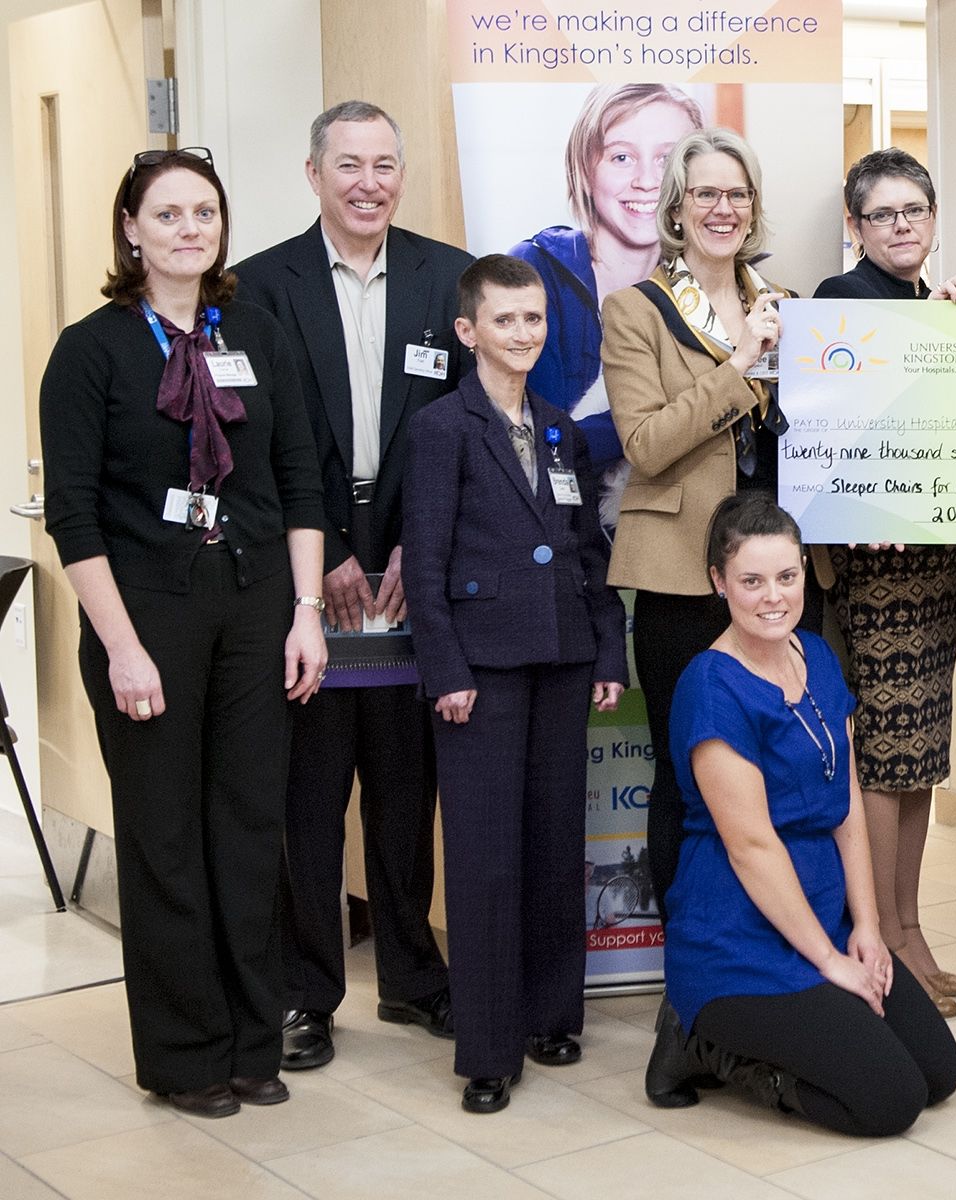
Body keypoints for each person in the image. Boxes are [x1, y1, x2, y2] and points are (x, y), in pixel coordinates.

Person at [39, 147, 328, 1117]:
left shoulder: (256, 329)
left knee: (249, 832)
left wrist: (306, 614)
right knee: (165, 841)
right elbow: (72, 516)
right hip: (145, 616)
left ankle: (254, 1042)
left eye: (204, 212)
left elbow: (298, 481)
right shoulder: (92, 349)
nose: (189, 229)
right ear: (131, 228)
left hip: (254, 610)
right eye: (168, 214)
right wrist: (119, 645)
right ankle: (188, 1056)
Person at [234, 99, 470, 1071]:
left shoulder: (444, 275)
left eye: (384, 164)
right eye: (349, 165)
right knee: (309, 798)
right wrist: (323, 543)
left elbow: (461, 420)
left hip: (414, 581)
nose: (368, 182)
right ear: (314, 173)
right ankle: (308, 996)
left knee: (406, 793)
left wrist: (422, 540)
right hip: (311, 582)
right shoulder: (259, 286)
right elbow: (258, 436)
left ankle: (414, 977)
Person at [642, 494, 956, 1135]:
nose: (773, 598)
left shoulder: (815, 654)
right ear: (718, 583)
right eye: (751, 581)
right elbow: (752, 848)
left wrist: (868, 929)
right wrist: (830, 961)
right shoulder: (710, 686)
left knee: (937, 1073)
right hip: (738, 938)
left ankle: (818, 987)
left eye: (786, 577)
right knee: (891, 1100)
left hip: (825, 913)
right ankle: (703, 1045)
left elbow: (845, 807)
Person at [402, 254, 628, 1113]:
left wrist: (607, 651)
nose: (524, 334)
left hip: (564, 657)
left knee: (552, 841)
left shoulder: (559, 426)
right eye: (506, 321)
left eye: (535, 320)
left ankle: (550, 1013)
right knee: (486, 855)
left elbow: (586, 555)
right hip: (482, 671)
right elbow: (423, 566)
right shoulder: (442, 429)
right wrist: (446, 671)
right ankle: (490, 1047)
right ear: (469, 332)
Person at [600, 128, 812, 919]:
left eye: (738, 194)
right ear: (677, 211)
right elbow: (646, 445)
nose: (724, 209)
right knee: (689, 768)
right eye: (706, 194)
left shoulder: (789, 307)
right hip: (684, 578)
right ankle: (691, 964)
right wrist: (735, 368)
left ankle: (782, 948)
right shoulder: (635, 312)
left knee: (786, 766)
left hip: (786, 577)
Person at [814, 147, 956, 1019]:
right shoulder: (841, 306)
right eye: (883, 215)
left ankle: (912, 928)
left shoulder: (932, 304)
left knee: (918, 760)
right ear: (856, 227)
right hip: (875, 573)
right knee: (883, 759)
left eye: (914, 210)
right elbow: (835, 441)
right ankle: (880, 935)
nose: (902, 227)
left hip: (935, 566)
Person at [510, 84, 705, 526]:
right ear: (585, 166)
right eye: (621, 157)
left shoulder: (716, 288)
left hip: (676, 539)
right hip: (553, 541)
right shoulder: (533, 271)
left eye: (668, 159)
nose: (647, 180)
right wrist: (670, 416)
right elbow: (544, 445)